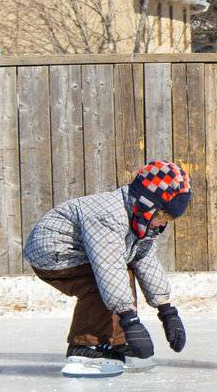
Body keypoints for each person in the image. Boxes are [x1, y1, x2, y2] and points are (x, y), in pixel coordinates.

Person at [23, 160, 193, 378]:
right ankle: (84, 347)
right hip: (52, 250)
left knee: (122, 272)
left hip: (78, 251)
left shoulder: (138, 219)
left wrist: (167, 310)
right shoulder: (109, 216)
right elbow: (108, 266)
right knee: (102, 281)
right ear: (147, 204)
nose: (162, 224)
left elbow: (144, 259)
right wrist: (131, 322)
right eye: (162, 217)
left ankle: (116, 343)